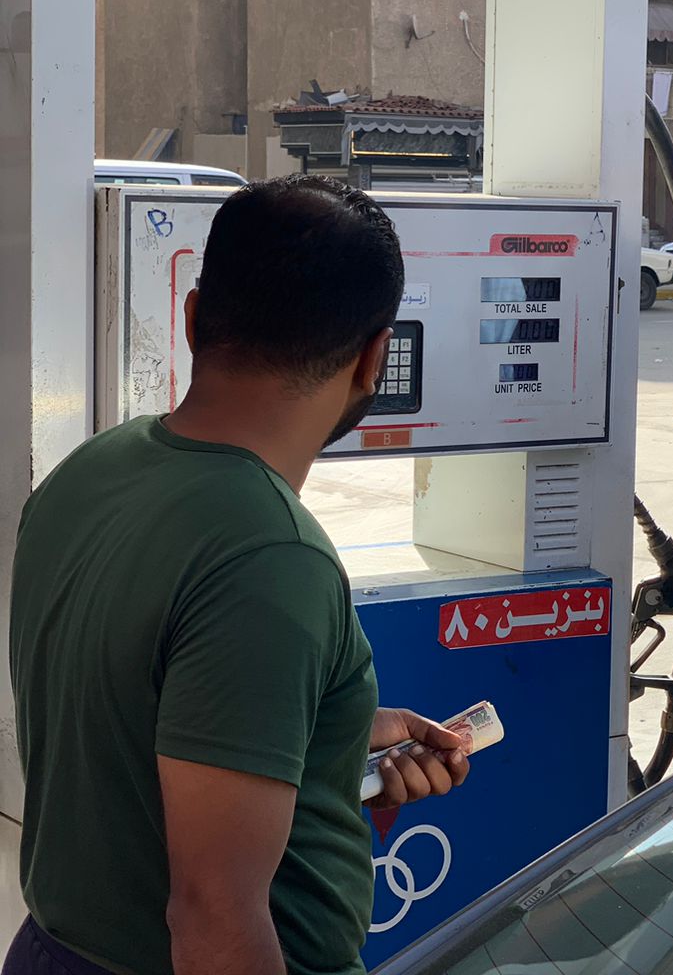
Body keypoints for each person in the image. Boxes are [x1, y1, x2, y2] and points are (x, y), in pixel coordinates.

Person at [7, 176, 470, 975]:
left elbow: (132, 715)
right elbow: (215, 918)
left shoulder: (89, 473)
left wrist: (328, 738)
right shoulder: (272, 556)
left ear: (192, 318)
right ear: (373, 359)